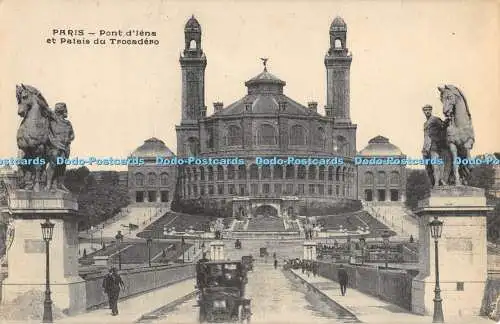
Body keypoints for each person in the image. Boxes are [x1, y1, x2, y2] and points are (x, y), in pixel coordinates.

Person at [422, 105, 447, 187]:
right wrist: (424, 148)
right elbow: (425, 136)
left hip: (434, 145)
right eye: (425, 110)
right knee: (428, 168)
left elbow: (443, 127)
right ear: (423, 112)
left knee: (435, 165)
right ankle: (434, 183)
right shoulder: (425, 123)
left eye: (429, 110)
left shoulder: (435, 119)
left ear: (431, 110)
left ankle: (438, 183)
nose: (427, 111)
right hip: (426, 148)